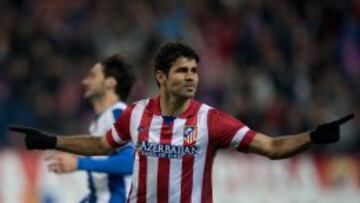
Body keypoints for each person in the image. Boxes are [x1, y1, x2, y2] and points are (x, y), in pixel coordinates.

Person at [11, 42, 354, 203]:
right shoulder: (137, 113)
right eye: (182, 71)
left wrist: (314, 136)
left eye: (194, 70)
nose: (192, 77)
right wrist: (50, 140)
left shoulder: (211, 120)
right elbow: (103, 145)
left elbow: (272, 147)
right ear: (161, 76)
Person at [45, 54, 136, 203]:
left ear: (110, 82)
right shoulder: (100, 121)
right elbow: (101, 189)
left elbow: (130, 162)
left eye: (92, 76)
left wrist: (78, 164)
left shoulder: (117, 114)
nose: (85, 81)